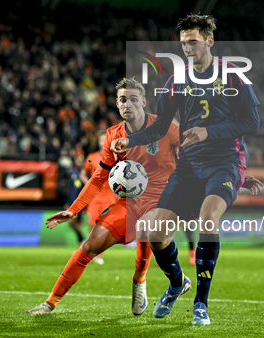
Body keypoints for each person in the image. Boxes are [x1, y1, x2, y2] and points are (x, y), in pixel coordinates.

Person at [111, 14, 260, 325]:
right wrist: (130, 140)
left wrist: (210, 132)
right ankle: (177, 283)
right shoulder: (177, 81)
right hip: (190, 165)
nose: (188, 48)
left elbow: (252, 122)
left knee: (208, 219)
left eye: (193, 41)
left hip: (225, 162)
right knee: (154, 231)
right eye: (183, 43)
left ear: (209, 40)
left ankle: (201, 304)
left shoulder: (233, 77)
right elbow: (160, 127)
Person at [26, 77, 181, 316]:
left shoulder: (167, 128)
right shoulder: (113, 135)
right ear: (117, 105)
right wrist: (74, 209)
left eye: (132, 99)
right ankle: (50, 302)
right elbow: (99, 177)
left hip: (163, 200)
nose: (127, 104)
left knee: (150, 231)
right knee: (90, 245)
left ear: (144, 102)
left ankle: (140, 281)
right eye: (122, 100)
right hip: (129, 202)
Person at [82, 130, 118, 264]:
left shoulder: (115, 158)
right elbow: (83, 174)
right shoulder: (91, 157)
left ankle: (99, 255)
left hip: (109, 196)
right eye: (101, 139)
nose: (103, 142)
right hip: (95, 197)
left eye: (105, 139)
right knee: (91, 224)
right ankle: (90, 249)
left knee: (104, 226)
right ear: (98, 141)